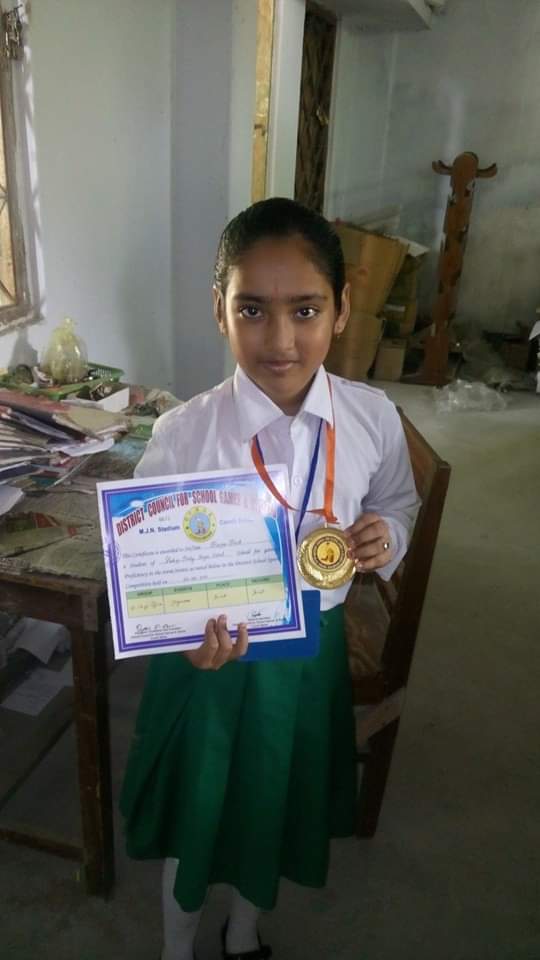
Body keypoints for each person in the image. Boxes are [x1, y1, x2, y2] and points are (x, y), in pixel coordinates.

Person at [120, 198, 419, 960]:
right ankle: (176, 948)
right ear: (218, 310)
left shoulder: (372, 419)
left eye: (305, 310)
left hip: (307, 656)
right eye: (252, 309)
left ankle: (244, 933)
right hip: (208, 661)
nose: (280, 341)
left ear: (341, 310)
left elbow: (397, 499)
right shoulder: (183, 434)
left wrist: (389, 534)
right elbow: (145, 576)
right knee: (198, 818)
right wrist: (180, 639)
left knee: (271, 808)